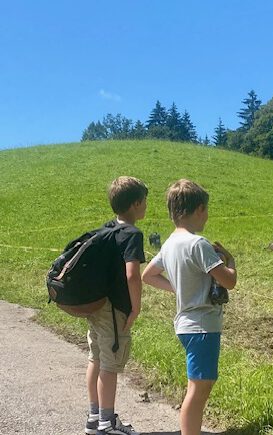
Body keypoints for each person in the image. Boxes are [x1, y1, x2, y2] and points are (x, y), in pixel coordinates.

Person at [142, 179, 237, 435]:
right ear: (198, 210)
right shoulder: (198, 244)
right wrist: (231, 260)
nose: (206, 216)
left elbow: (148, 275)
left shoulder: (170, 243)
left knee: (197, 385)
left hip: (186, 326)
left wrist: (180, 288)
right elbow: (229, 281)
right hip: (202, 326)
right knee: (199, 389)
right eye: (206, 210)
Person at [85, 176, 148, 435]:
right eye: (144, 202)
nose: (146, 206)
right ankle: (106, 424)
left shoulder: (106, 229)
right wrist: (135, 308)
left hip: (97, 306)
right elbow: (133, 275)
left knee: (96, 359)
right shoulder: (132, 234)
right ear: (135, 204)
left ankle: (94, 417)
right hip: (115, 310)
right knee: (110, 366)